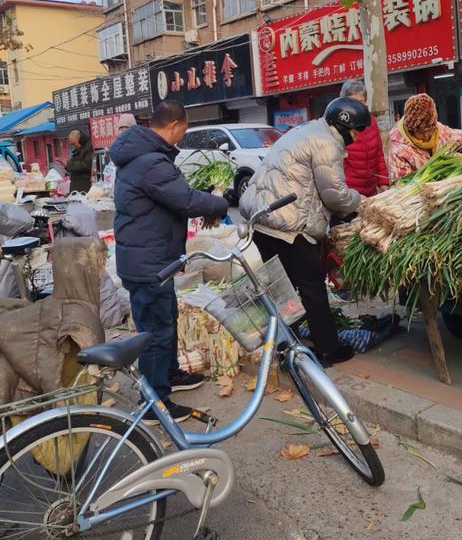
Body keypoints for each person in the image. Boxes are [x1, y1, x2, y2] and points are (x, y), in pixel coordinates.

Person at [111, 101, 228, 423]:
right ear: (174, 125)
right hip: (148, 263)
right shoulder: (151, 161)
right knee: (155, 332)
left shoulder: (143, 155)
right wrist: (219, 202)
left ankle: (168, 374)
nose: (183, 135)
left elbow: (173, 196)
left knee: (164, 320)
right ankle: (154, 404)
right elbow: (186, 201)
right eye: (185, 129)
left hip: (150, 258)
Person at [240, 97, 368, 366]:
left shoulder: (307, 130)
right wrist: (363, 202)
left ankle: (285, 346)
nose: (356, 138)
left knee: (283, 289)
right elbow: (335, 196)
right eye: (356, 131)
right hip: (288, 224)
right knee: (312, 286)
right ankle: (328, 349)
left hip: (262, 219)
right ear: (343, 125)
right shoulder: (327, 143)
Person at [389, 93, 462, 180]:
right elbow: (403, 183)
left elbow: (461, 137)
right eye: (421, 132)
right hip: (423, 190)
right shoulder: (397, 149)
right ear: (411, 129)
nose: (427, 135)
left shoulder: (438, 129)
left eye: (429, 130)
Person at [340, 79, 389, 197]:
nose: (357, 106)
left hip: (371, 191)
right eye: (353, 102)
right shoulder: (339, 124)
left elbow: (378, 154)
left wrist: (383, 182)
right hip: (349, 193)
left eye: (361, 102)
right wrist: (347, 193)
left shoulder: (371, 121)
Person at [65, 129, 93, 193]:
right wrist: (67, 165)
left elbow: (86, 165)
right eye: (72, 144)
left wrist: (69, 164)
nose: (74, 146)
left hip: (84, 184)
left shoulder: (89, 147)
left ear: (80, 139)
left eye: (74, 144)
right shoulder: (79, 148)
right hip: (76, 183)